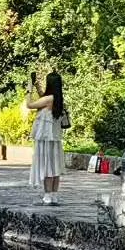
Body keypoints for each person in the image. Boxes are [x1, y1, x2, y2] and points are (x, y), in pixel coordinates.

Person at [28, 73, 69, 205]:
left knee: (47, 167)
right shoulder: (58, 99)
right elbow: (44, 98)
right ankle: (54, 195)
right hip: (54, 138)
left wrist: (29, 89)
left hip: (45, 138)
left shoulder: (49, 99)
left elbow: (30, 105)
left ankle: (47, 195)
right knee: (55, 167)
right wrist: (38, 87)